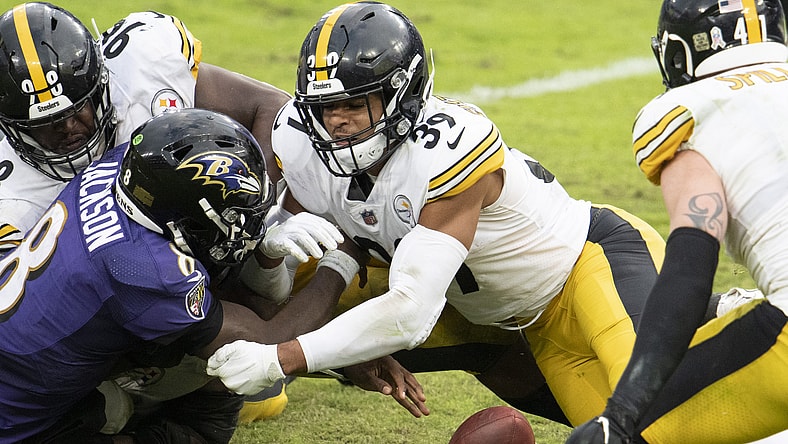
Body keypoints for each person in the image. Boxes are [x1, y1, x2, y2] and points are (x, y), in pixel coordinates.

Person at [205, 1, 687, 427]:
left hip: (587, 266)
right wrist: (269, 254)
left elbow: (410, 312)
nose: (336, 122)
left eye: (353, 103)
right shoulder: (300, 142)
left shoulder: (446, 148)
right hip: (513, 321)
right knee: (632, 431)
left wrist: (282, 359)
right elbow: (292, 281)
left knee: (660, 416)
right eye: (325, 107)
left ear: (402, 94)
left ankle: (723, 315)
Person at [0, 108, 421, 443]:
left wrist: (266, 255)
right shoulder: (142, 269)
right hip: (14, 422)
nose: (249, 226)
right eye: (238, 215)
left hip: (29, 361)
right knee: (224, 377)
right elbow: (269, 341)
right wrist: (343, 258)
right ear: (182, 218)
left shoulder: (125, 165)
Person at [0, 2, 295, 421]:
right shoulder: (11, 198)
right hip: (129, 314)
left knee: (297, 243)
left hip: (201, 257)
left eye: (77, 108)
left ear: (101, 80)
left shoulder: (141, 65)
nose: (68, 129)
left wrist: (251, 213)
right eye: (44, 125)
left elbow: (272, 109)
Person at [566, 0, 788, 442]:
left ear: (681, 51)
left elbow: (690, 270)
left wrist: (623, 413)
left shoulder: (689, 111)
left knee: (625, 434)